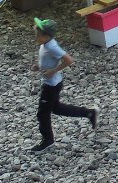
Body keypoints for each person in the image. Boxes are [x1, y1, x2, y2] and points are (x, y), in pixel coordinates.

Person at [31, 19, 97, 152]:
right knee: (57, 108)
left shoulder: (52, 46)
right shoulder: (45, 44)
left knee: (42, 114)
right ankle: (89, 113)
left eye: (38, 34)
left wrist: (53, 71)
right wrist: (39, 67)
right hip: (52, 83)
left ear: (47, 36)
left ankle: (47, 140)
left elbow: (69, 60)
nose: (36, 36)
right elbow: (48, 60)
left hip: (51, 85)